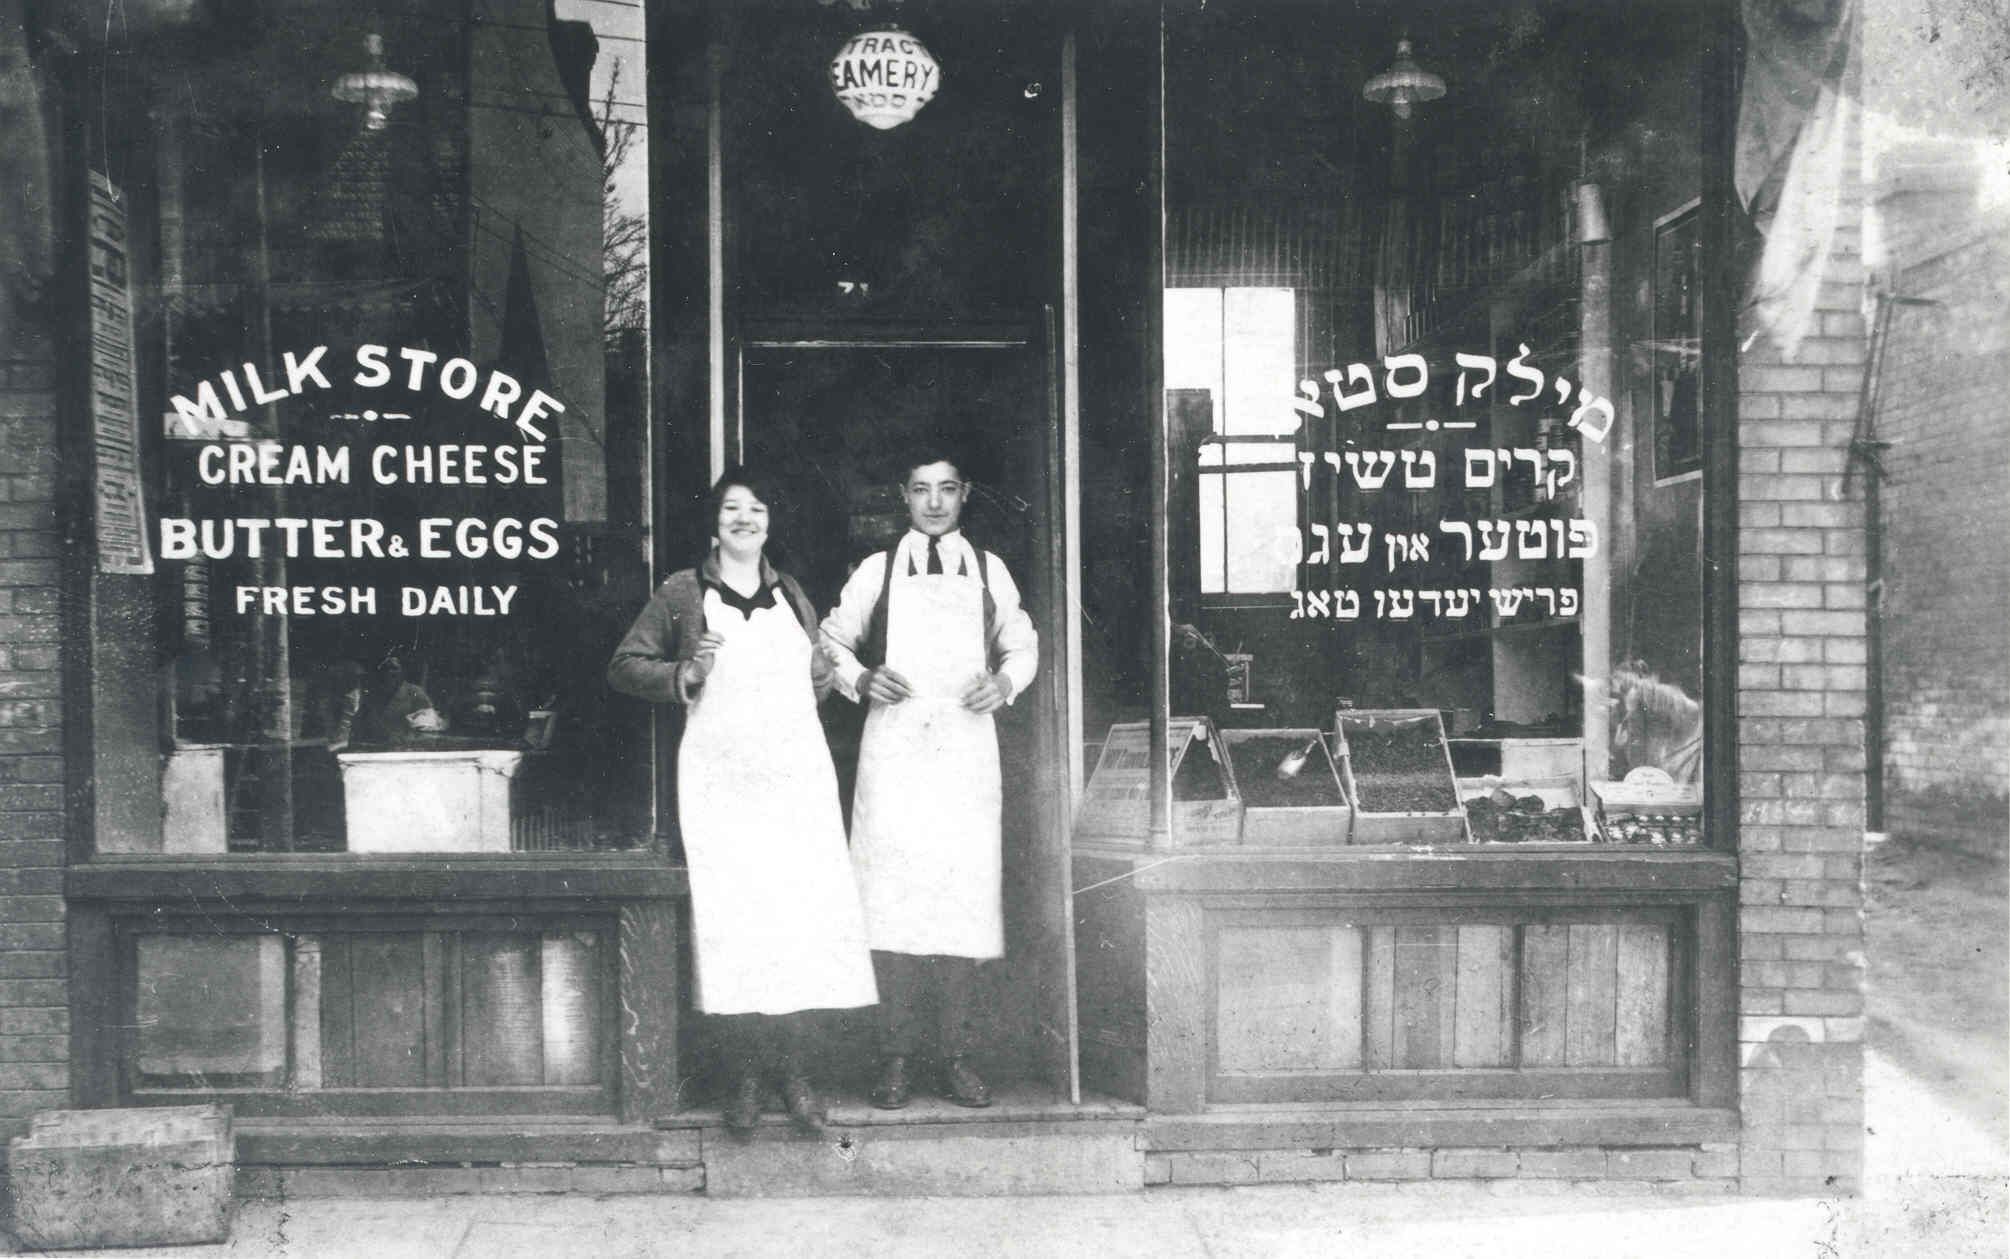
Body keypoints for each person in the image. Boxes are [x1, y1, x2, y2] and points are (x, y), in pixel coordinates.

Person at [607, 468, 877, 1134]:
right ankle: (745, 1078)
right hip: (721, 785)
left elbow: (808, 685)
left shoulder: (793, 594)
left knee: (797, 927)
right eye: (732, 508)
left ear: (769, 523)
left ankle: (796, 1074)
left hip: (795, 782)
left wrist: (818, 677)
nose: (745, 519)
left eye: (756, 508)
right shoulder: (682, 591)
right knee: (737, 929)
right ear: (714, 521)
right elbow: (624, 665)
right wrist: (685, 673)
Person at [820, 451, 1039, 1109]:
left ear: (965, 492)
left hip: (966, 760)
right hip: (896, 761)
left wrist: (1004, 681)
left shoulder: (988, 569)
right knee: (893, 909)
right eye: (922, 490)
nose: (935, 503)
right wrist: (860, 677)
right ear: (904, 496)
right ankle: (895, 1058)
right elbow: (830, 639)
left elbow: (1023, 644)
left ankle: (957, 1058)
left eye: (947, 489)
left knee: (962, 910)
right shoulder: (877, 570)